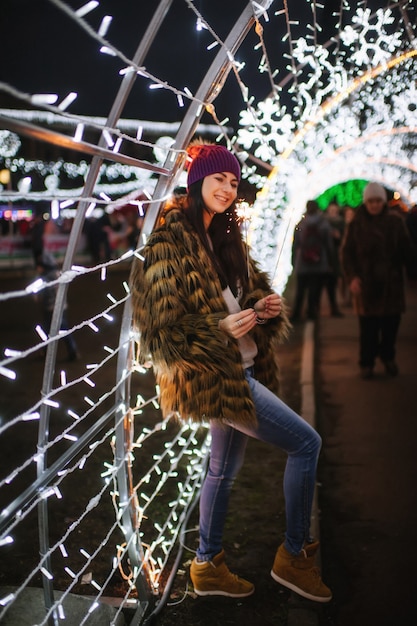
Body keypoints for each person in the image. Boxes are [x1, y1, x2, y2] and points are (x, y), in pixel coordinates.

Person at [130, 142, 332, 603]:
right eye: (218, 179)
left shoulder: (227, 240)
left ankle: (207, 564)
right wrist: (216, 329)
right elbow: (158, 335)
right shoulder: (168, 245)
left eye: (233, 182)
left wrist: (264, 308)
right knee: (306, 443)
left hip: (243, 364)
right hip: (218, 378)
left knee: (222, 470)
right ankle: (294, 555)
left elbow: (246, 297)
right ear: (197, 181)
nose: (226, 188)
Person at [341, 182, 417, 379]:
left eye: (378, 201)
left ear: (383, 202)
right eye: (371, 201)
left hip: (391, 285)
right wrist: (352, 278)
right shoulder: (357, 223)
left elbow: (406, 250)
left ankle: (388, 357)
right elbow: (347, 253)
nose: (374, 205)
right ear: (366, 202)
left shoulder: (395, 222)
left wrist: (411, 272)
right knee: (368, 329)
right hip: (366, 286)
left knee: (391, 326)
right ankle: (367, 363)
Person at [290, 199, 335, 322]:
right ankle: (311, 313)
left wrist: (293, 261)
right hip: (319, 262)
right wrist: (330, 262)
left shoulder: (301, 223)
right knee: (314, 290)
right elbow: (328, 244)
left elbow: (296, 244)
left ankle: (296, 314)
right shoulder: (324, 224)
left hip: (302, 262)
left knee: (300, 290)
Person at [35, 250, 78, 361]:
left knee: (47, 331)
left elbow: (40, 296)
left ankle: (45, 352)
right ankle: (72, 351)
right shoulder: (58, 274)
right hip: (62, 307)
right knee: (63, 329)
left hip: (51, 308)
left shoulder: (45, 278)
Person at [323, 201, 344, 316]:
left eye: (335, 211)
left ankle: (334, 308)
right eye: (331, 210)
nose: (333, 213)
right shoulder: (323, 223)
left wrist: (338, 237)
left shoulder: (341, 223)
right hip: (324, 258)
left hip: (335, 258)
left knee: (332, 284)